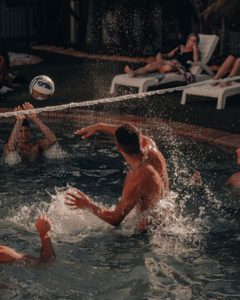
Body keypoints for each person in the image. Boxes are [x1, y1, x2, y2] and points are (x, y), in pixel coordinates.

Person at [65, 122, 169, 231]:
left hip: (147, 231)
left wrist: (87, 204)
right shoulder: (151, 147)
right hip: (164, 215)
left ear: (118, 148)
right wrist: (99, 126)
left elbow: (115, 219)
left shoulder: (138, 179)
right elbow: (131, 133)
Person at [124, 33, 200, 82]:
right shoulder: (180, 47)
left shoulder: (196, 51)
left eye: (195, 41)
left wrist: (195, 47)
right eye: (191, 40)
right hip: (170, 63)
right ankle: (134, 73)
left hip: (179, 66)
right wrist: (161, 55)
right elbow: (169, 55)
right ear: (188, 40)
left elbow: (196, 60)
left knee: (166, 66)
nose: (193, 42)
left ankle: (151, 71)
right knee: (151, 65)